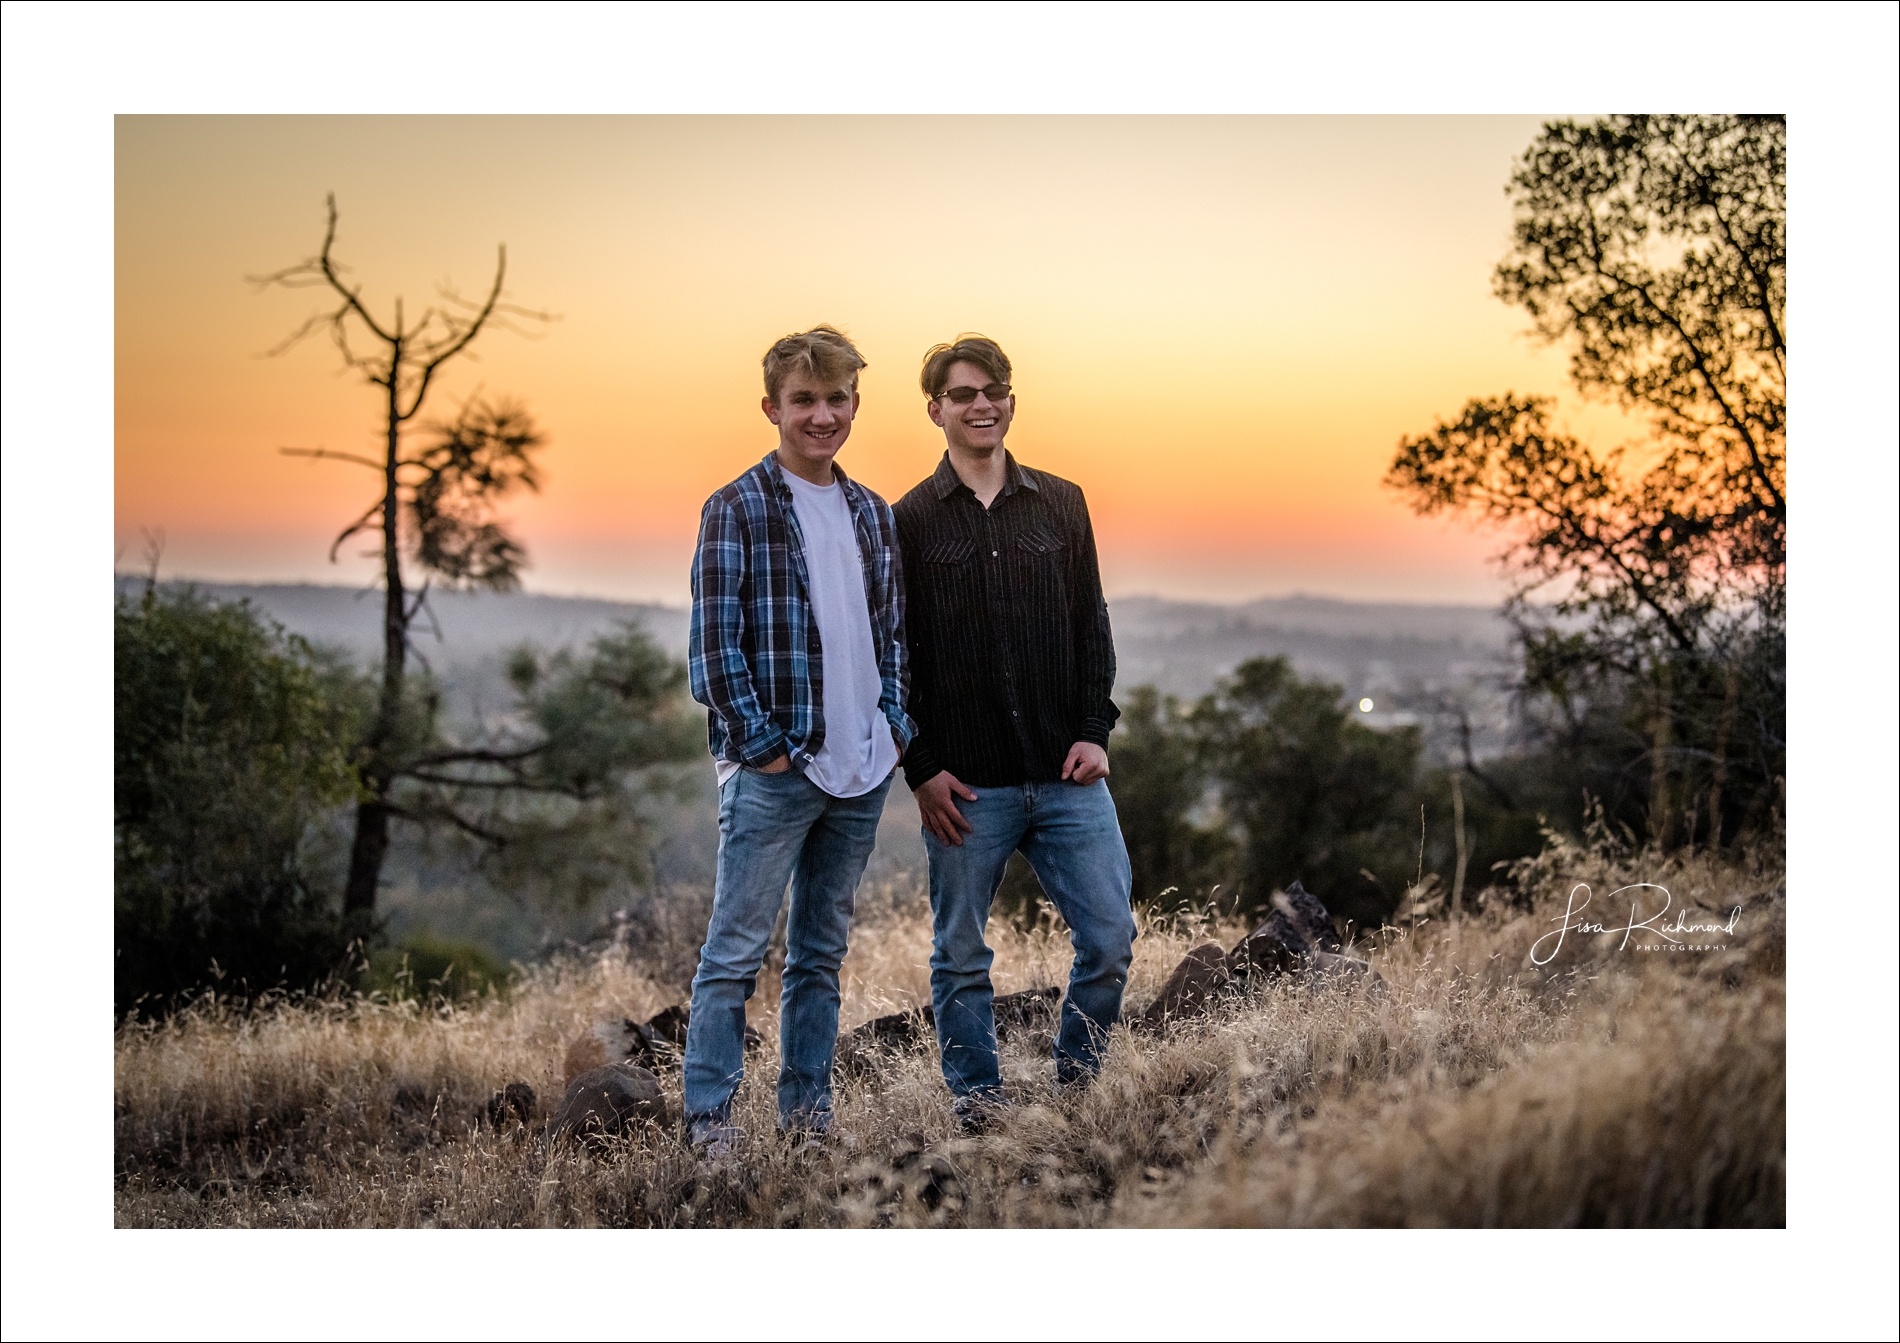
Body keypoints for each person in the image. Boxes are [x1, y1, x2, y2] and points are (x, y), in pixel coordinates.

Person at [892, 334, 1136, 1132]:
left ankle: (1076, 1086)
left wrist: (1096, 731)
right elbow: (895, 656)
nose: (981, 403)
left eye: (993, 389)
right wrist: (921, 766)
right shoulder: (909, 522)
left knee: (1109, 936)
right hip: (967, 786)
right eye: (962, 394)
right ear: (935, 409)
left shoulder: (1062, 502)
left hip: (1067, 777)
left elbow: (1089, 625)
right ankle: (978, 1107)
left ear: (1011, 399)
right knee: (960, 957)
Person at [683, 325, 912, 1155]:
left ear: (855, 403)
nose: (822, 415)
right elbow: (714, 649)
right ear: (773, 407)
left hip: (860, 770)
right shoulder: (736, 507)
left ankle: (806, 1120)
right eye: (805, 400)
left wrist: (894, 724)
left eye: (836, 399)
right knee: (734, 955)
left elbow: (891, 633)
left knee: (820, 956)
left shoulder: (870, 513)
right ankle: (710, 1123)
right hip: (774, 771)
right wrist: (766, 746)